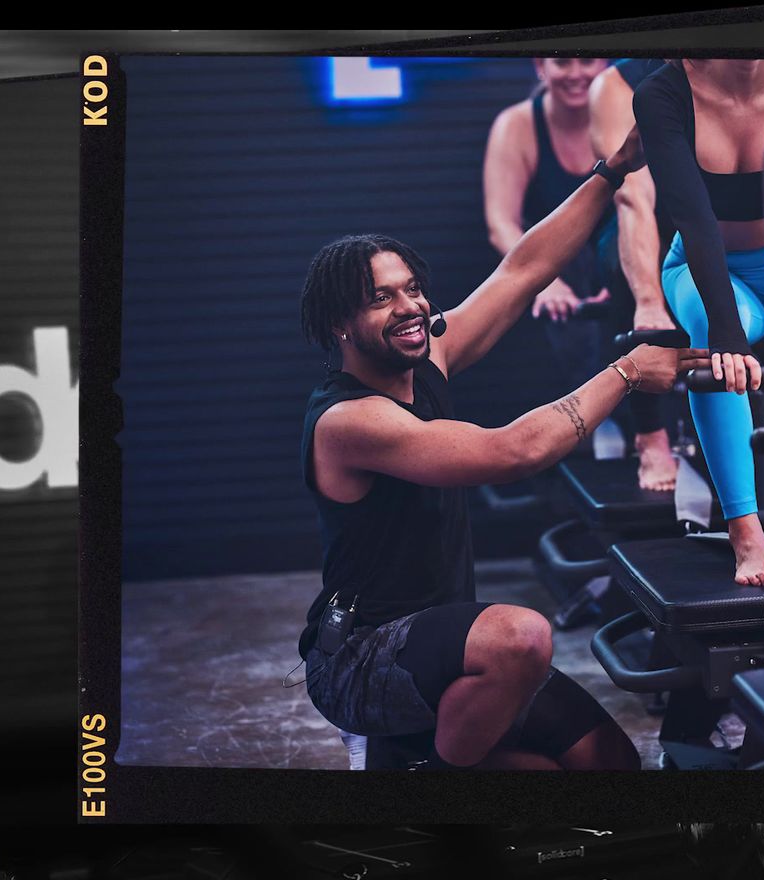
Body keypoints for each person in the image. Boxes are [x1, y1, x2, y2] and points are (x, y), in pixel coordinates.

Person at [297, 130, 708, 770]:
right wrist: (625, 373)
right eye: (381, 298)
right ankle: (417, 772)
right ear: (339, 325)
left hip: (452, 643)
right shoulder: (350, 421)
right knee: (522, 635)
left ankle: (420, 751)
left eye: (410, 288)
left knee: (610, 766)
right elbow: (515, 451)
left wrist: (613, 170)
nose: (410, 307)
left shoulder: (427, 357)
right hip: (363, 657)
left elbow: (523, 270)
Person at [634, 58, 764, 585]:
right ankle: (744, 528)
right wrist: (728, 334)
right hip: (707, 270)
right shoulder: (664, 94)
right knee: (713, 339)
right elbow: (693, 216)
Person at [484, 58, 615, 400]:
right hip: (552, 274)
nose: (575, 74)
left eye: (587, 61)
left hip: (617, 263)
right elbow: (501, 223)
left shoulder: (625, 114)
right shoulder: (517, 125)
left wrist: (631, 281)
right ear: (541, 66)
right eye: (562, 62)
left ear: (605, 63)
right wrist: (546, 284)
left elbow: (645, 208)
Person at [588, 58, 682, 491]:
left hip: (718, 218)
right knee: (633, 267)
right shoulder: (617, 85)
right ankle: (651, 437)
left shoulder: (749, 71)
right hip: (645, 222)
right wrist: (649, 300)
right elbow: (634, 199)